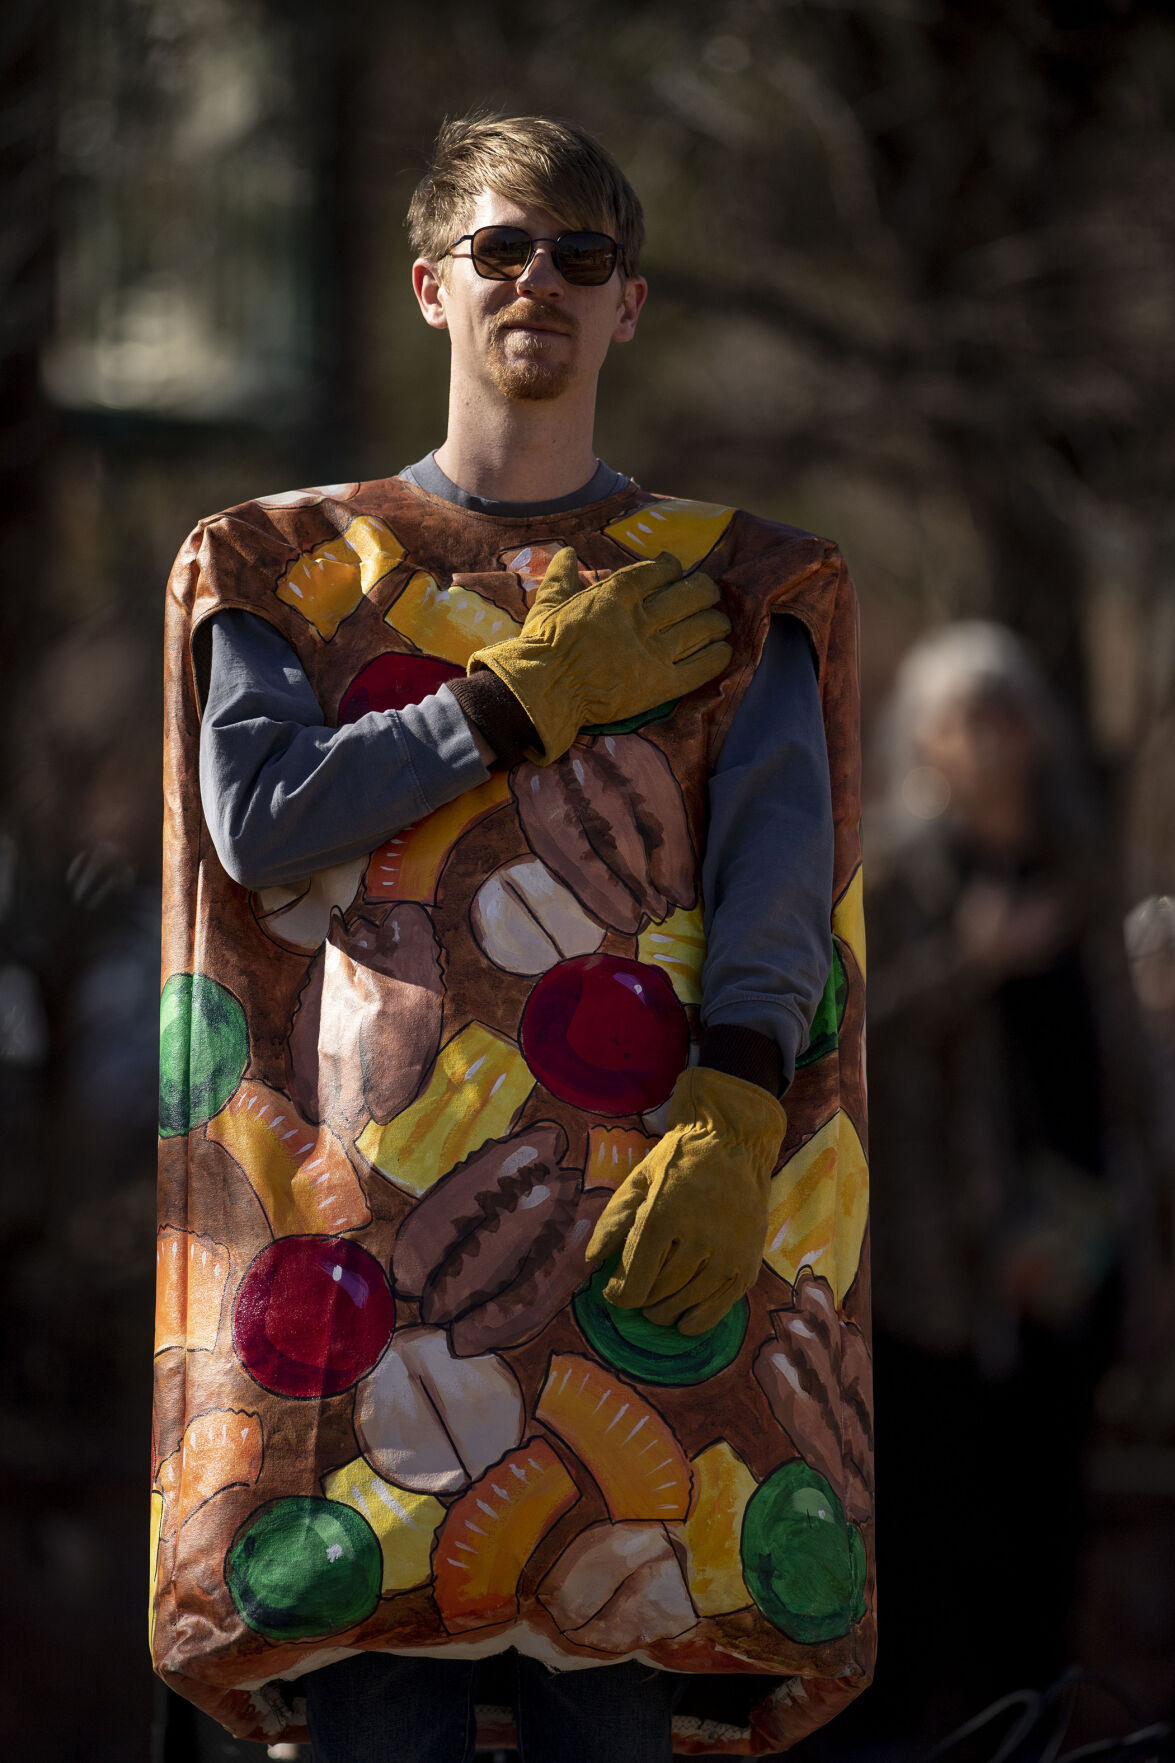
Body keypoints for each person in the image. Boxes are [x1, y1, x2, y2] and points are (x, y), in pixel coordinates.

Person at [151, 113, 871, 1761]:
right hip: (353, 1278)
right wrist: (515, 701)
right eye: (500, 245)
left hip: (635, 1261)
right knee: (374, 1711)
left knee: (608, 1702)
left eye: (582, 252)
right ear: (428, 284)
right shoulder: (283, 566)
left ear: (632, 306)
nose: (538, 276)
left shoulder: (737, 585)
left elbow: (776, 875)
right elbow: (257, 824)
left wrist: (743, 1094)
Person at [862, 622, 1123, 1741]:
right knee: (927, 1523)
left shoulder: (1076, 866)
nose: (993, 736)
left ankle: (1037, 1727)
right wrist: (971, 962)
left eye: (1007, 709)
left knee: (1046, 1519)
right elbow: (849, 1047)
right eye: (967, 714)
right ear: (923, 737)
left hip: (1068, 1249)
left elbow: (1120, 1068)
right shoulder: (889, 870)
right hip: (933, 1267)